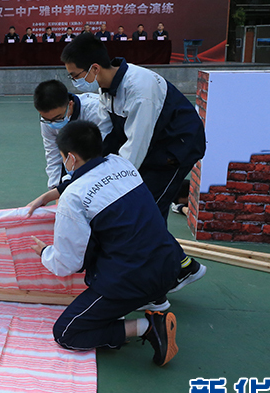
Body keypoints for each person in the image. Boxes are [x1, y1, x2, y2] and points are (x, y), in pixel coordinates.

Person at [59, 32, 206, 295]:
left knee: (146, 207)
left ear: (94, 68)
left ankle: (180, 269)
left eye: (76, 75)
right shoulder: (107, 86)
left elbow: (134, 149)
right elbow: (105, 133)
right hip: (151, 145)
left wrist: (105, 185)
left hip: (176, 147)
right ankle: (171, 266)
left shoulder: (140, 88)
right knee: (141, 205)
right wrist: (82, 173)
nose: (75, 82)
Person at [27, 121, 182, 366]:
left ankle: (149, 326)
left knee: (67, 333)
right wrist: (52, 193)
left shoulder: (73, 199)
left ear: (70, 158)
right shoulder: (121, 163)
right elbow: (95, 179)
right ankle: (153, 299)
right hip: (171, 264)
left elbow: (67, 263)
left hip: (134, 278)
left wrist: (45, 252)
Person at [34, 80, 111, 188]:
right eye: (47, 119)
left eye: (58, 118)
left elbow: (103, 151)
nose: (52, 124)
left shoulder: (95, 111)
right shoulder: (47, 121)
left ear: (70, 105)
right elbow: (53, 155)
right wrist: (55, 188)